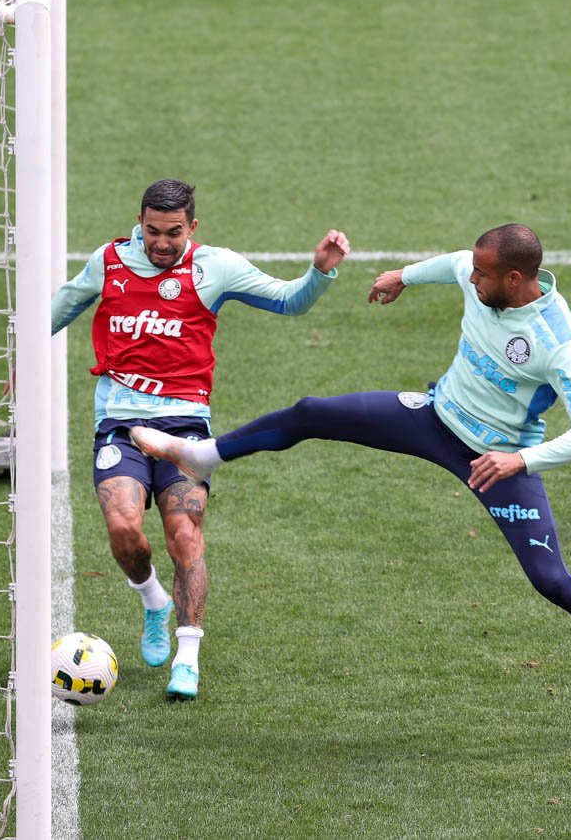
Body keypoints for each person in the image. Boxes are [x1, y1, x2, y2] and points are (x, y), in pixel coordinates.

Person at [130, 223, 571, 728]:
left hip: (496, 461)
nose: (472, 279)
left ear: (514, 279)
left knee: (551, 580)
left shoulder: (556, 342)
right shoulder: (481, 274)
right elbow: (457, 261)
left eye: (483, 275)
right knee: (312, 412)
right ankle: (203, 456)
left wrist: (520, 460)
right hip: (433, 418)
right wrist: (403, 277)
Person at [50, 178, 349, 700]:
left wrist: (320, 270)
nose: (161, 243)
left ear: (192, 226)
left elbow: (288, 302)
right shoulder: (109, 262)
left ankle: (186, 659)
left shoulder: (216, 268)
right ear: (139, 224)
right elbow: (60, 307)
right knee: (123, 529)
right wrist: (20, 357)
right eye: (152, 232)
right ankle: (153, 600)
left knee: (184, 535)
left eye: (173, 233)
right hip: (120, 422)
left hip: (185, 426)